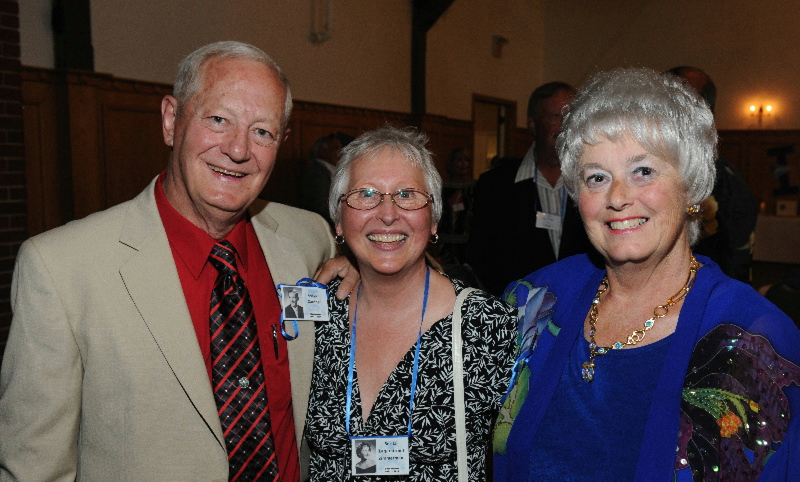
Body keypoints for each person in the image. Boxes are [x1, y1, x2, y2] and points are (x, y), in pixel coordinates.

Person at [0, 41, 357, 481]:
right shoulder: (61, 269)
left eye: (262, 131)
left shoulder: (309, 239)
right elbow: (34, 469)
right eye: (218, 119)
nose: (238, 149)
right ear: (171, 120)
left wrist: (371, 276)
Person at [493, 68, 800, 480]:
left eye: (643, 171)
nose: (618, 197)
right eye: (597, 177)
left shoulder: (754, 340)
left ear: (691, 185)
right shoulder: (534, 301)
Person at [304, 125, 517, 481]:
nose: (388, 213)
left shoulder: (488, 325)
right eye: (366, 194)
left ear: (433, 219)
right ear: (338, 220)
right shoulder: (317, 315)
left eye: (407, 194)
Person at [467, 82, 593, 295]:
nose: (565, 126)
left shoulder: (592, 181)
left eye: (572, 117)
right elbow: (480, 259)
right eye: (555, 117)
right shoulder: (496, 185)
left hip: (581, 303)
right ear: (533, 125)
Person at [665, 66, 758, 282]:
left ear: (705, 116)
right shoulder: (655, 167)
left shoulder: (718, 186)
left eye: (678, 106)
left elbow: (729, 275)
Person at [430, 147, 476, 282]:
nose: (463, 164)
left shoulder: (474, 187)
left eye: (466, 160)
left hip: (467, 244)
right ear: (451, 163)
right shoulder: (441, 187)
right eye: (459, 160)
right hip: (445, 244)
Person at [300, 133, 343, 225]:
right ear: (323, 151)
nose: (340, 152)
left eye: (340, 148)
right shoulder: (316, 173)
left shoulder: (330, 169)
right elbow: (321, 206)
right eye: (336, 148)